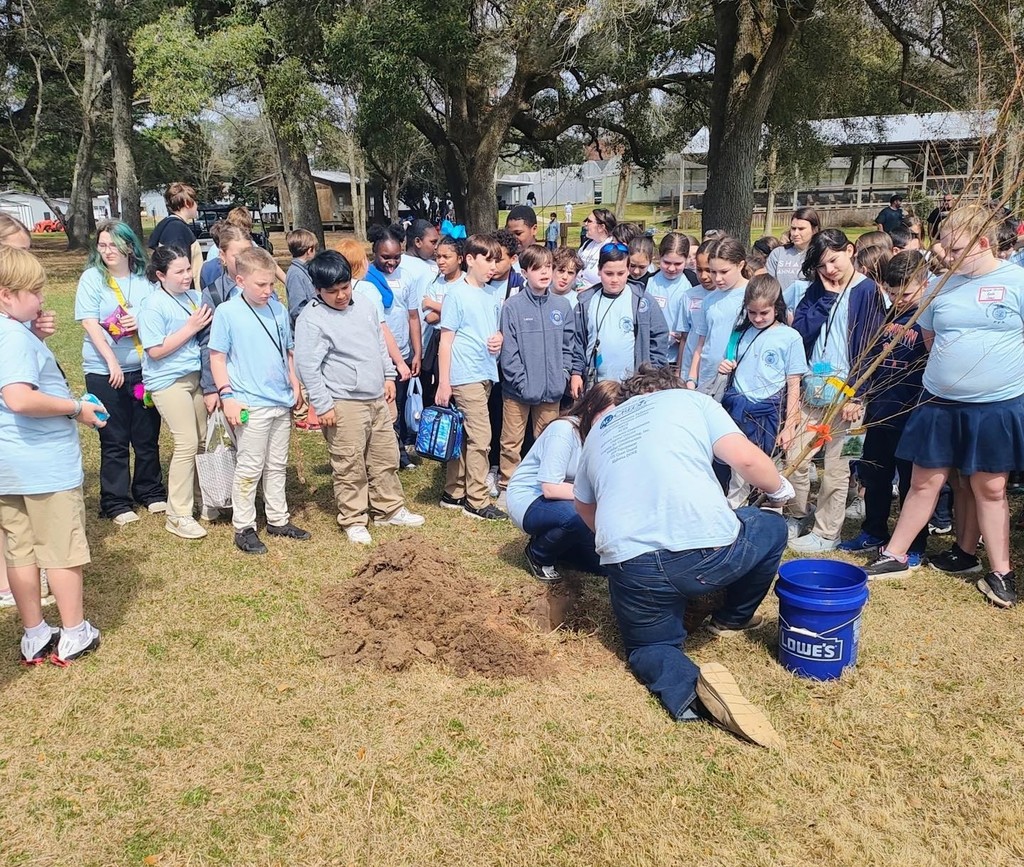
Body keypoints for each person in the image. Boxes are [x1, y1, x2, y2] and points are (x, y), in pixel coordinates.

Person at [573, 365, 791, 747]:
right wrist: (779, 492)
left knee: (649, 646)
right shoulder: (693, 401)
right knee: (769, 527)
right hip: (706, 552)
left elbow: (583, 506)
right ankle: (731, 618)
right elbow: (749, 462)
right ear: (671, 389)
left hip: (631, 562)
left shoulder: (599, 432)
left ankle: (688, 691)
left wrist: (622, 547)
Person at [865, 206, 1024, 609]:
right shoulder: (942, 285)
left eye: (953, 249)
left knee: (989, 487)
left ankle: (998, 570)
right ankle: (895, 554)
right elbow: (933, 339)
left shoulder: (1017, 281)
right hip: (938, 401)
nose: (943, 255)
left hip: (996, 405)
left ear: (983, 243)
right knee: (924, 480)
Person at [0, 246, 104, 664]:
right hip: (41, 464)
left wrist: (35, 336)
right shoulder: (12, 338)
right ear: (7, 294)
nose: (43, 300)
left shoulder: (13, 333)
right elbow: (19, 398)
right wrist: (75, 408)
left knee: (20, 550)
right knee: (61, 549)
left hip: (9, 466)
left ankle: (35, 632)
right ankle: (75, 632)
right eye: (35, 291)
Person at [295, 251, 425, 545]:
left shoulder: (364, 304)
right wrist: (323, 404)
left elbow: (378, 343)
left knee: (385, 456)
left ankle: (389, 509)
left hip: (376, 396)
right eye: (332, 291)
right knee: (349, 462)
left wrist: (388, 376)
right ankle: (354, 518)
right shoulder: (311, 320)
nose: (341, 295)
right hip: (343, 402)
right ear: (318, 290)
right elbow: (307, 366)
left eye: (345, 287)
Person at [786, 229, 885, 553]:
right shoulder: (817, 289)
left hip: (849, 395)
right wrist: (825, 298)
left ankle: (828, 532)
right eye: (822, 265)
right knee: (796, 457)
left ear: (850, 251)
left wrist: (859, 393)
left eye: (834, 259)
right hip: (813, 390)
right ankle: (798, 513)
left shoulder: (867, 290)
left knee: (838, 467)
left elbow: (872, 347)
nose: (829, 269)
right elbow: (800, 331)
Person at [208, 247, 311, 554]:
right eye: (261, 285)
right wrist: (227, 395)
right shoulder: (227, 312)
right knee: (250, 465)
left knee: (277, 463)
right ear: (240, 281)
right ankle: (244, 526)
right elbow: (217, 356)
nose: (268, 291)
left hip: (280, 400)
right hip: (249, 402)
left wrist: (295, 385)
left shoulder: (278, 310)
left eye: (271, 284)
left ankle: (278, 518)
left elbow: (287, 350)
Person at [838, 251, 929, 566]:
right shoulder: (886, 317)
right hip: (880, 412)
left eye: (905, 293)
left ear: (925, 284)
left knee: (909, 483)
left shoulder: (929, 321)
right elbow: (867, 363)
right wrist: (858, 395)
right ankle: (873, 530)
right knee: (875, 475)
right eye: (891, 293)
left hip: (912, 414)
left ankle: (914, 541)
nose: (897, 299)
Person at [74, 219, 167, 525]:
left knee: (146, 434)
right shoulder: (91, 279)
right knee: (113, 437)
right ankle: (115, 501)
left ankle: (150, 491)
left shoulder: (146, 280)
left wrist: (140, 322)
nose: (107, 251)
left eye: (113, 245)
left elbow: (156, 314)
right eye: (102, 245)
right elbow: (89, 323)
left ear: (129, 246)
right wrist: (111, 363)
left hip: (142, 370)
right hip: (104, 371)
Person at [137, 246, 216, 540]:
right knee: (186, 442)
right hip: (167, 381)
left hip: (196, 377)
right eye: (179, 272)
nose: (187, 276)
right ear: (160, 275)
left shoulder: (196, 297)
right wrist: (190, 327)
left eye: (188, 269)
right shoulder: (152, 306)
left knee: (201, 441)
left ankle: (202, 498)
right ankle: (178, 514)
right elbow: (155, 351)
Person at [507, 381, 621, 582]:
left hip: (568, 501)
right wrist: (597, 498)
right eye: (606, 416)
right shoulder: (564, 430)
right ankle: (538, 554)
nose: (609, 424)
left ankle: (562, 548)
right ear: (590, 407)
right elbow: (550, 487)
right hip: (531, 497)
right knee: (576, 516)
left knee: (604, 566)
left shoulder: (604, 440)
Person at [435, 234, 507, 521]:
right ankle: (476, 501)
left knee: (465, 437)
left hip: (486, 372)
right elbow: (445, 340)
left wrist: (499, 338)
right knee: (481, 437)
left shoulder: (491, 294)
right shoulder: (456, 293)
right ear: (470, 260)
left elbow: (494, 329)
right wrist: (444, 382)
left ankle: (453, 492)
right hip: (465, 376)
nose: (493, 266)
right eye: (488, 260)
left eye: (496, 260)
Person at [718, 276, 807, 501]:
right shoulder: (739, 333)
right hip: (740, 409)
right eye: (752, 313)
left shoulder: (790, 337)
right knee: (739, 473)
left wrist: (790, 425)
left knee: (770, 472)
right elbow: (730, 361)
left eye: (763, 313)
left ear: (776, 308)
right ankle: (736, 514)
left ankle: (770, 516)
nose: (757, 318)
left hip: (770, 413)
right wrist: (725, 366)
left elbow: (793, 383)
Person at [498, 244, 575, 490]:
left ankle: (544, 483)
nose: (544, 273)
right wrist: (520, 382)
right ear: (524, 273)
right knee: (511, 441)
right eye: (537, 268)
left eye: (548, 267)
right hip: (517, 391)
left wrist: (561, 376)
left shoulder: (562, 307)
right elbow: (508, 351)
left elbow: (568, 346)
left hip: (550, 390)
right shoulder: (513, 306)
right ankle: (508, 483)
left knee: (547, 439)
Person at [570, 242, 668, 397]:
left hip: (633, 387)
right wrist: (576, 373)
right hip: (596, 386)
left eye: (620, 273)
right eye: (609, 274)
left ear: (628, 271)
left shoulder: (642, 301)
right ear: (599, 271)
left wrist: (652, 375)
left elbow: (659, 338)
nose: (615, 279)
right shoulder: (586, 303)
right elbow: (577, 342)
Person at [365, 224, 424, 467]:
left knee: (398, 405)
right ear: (374, 253)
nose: (392, 263)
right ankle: (383, 453)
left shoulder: (406, 276)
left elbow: (413, 316)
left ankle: (399, 451)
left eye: (397, 257)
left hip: (404, 353)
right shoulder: (365, 279)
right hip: (379, 355)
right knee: (381, 407)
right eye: (386, 257)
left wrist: (417, 352)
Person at [198, 225, 255, 416]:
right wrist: (211, 388)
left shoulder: (265, 289)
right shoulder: (213, 295)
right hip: (234, 383)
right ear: (222, 256)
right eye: (236, 255)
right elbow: (208, 344)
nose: (242, 260)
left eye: (247, 253)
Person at [686, 237, 749, 391]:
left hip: (737, 378)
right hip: (707, 377)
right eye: (713, 272)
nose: (717, 278)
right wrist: (692, 378)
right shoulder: (709, 300)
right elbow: (701, 342)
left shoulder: (753, 294)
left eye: (724, 272)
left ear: (740, 265)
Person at [420, 235, 464, 407]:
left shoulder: (466, 282)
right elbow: (429, 317)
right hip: (436, 338)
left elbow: (464, 314)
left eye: (446, 257)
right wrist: (446, 308)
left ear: (460, 259)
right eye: (438, 257)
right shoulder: (434, 283)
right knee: (432, 381)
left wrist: (433, 304)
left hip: (458, 340)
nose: (440, 261)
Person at [645, 233, 691, 368]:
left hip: (677, 358)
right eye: (666, 262)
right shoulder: (649, 282)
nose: (671, 268)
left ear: (687, 260)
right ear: (659, 257)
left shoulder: (691, 285)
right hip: (651, 355)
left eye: (678, 264)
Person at [148, 182, 203, 279]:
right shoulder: (177, 230)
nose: (197, 206)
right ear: (187, 203)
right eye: (195, 201)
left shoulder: (171, 226)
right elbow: (177, 269)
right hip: (182, 290)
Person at [677, 238, 715, 378]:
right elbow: (684, 337)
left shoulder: (726, 296)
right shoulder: (689, 295)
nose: (703, 276)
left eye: (709, 270)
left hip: (714, 370)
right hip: (689, 369)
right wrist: (679, 370)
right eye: (699, 270)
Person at [765, 208, 820, 291]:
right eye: (793, 228)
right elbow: (768, 286)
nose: (795, 233)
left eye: (801, 229)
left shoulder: (821, 254)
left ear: (814, 230)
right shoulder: (778, 254)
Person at [284, 229, 319, 328]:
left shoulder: (305, 270)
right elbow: (297, 309)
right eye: (314, 249)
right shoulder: (296, 274)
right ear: (309, 251)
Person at [577, 208, 617, 288]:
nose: (585, 224)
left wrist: (591, 290)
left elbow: (615, 281)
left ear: (601, 227)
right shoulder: (587, 244)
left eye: (589, 221)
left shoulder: (613, 248)